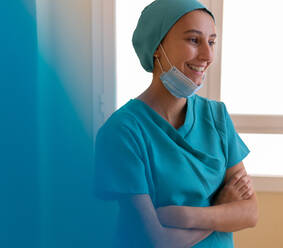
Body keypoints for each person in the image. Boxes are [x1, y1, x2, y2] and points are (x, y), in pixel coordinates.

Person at [93, 0, 258, 247]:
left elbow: (250, 213)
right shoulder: (123, 131)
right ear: (157, 46)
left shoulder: (216, 116)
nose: (208, 55)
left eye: (211, 42)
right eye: (194, 40)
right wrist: (222, 210)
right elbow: (158, 241)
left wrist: (186, 215)